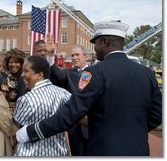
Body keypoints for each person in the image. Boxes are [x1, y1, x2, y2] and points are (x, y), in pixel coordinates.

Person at [16, 20, 162, 156]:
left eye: (96, 43)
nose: (95, 49)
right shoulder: (147, 73)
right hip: (139, 150)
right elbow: (157, 115)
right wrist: (134, 131)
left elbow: (72, 113)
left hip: (104, 150)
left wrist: (30, 132)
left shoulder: (95, 73)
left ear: (105, 42)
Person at [12, 55, 71, 156]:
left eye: (26, 71)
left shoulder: (26, 99)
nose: (22, 75)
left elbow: (14, 131)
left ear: (40, 75)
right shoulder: (64, 94)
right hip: (58, 153)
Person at [46, 43, 90, 156]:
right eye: (72, 55)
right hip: (74, 126)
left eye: (77, 55)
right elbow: (58, 75)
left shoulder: (96, 72)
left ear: (86, 56)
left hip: (92, 124)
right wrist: (51, 56)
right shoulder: (68, 73)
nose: (74, 58)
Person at [0, 48, 26, 113]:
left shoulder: (25, 75)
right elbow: (2, 98)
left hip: (24, 110)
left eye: (16, 62)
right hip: (8, 112)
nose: (13, 65)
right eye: (10, 62)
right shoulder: (4, 75)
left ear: (22, 63)